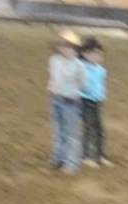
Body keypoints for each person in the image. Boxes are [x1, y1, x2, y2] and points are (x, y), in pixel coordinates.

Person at [48, 30, 86, 174]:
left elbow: (83, 84)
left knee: (71, 134)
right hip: (55, 98)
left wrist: (72, 92)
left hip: (70, 101)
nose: (66, 49)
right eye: (64, 46)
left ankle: (71, 163)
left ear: (75, 49)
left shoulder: (79, 65)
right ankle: (59, 158)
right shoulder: (54, 60)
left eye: (70, 46)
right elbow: (53, 78)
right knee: (58, 131)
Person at [79, 38, 111, 168]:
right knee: (88, 129)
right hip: (85, 101)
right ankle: (86, 156)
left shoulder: (101, 70)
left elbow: (100, 85)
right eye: (95, 53)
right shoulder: (81, 68)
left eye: (100, 54)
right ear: (85, 54)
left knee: (99, 129)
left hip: (97, 102)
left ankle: (100, 155)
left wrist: (101, 96)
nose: (98, 57)